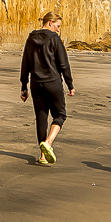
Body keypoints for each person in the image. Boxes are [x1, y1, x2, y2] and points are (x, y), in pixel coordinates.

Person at [20, 11, 74, 164]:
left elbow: (25, 64)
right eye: (57, 26)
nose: (58, 29)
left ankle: (42, 156)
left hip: (36, 83)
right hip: (53, 82)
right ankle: (49, 142)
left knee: (41, 118)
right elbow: (63, 64)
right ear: (50, 22)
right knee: (60, 114)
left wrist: (24, 86)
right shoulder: (54, 39)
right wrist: (70, 84)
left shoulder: (30, 38)